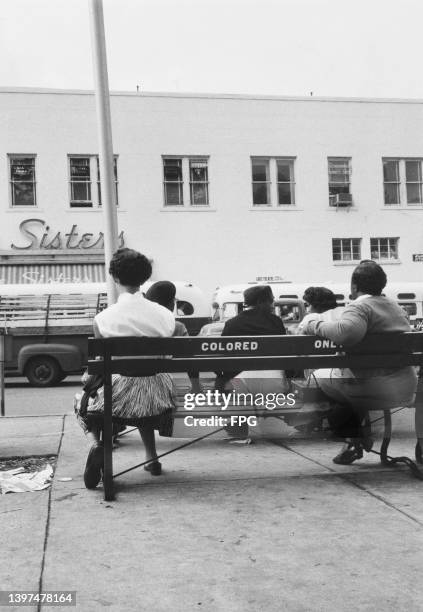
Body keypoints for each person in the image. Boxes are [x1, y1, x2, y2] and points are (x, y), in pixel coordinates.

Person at [301, 262, 418, 464]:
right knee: (349, 380)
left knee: (314, 378)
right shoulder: (395, 308)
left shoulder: (360, 307)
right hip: (404, 387)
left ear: (354, 286)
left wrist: (312, 323)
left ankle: (353, 437)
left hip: (374, 387)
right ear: (382, 284)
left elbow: (346, 333)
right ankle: (355, 434)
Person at [78, 248, 176, 488]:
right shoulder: (165, 315)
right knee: (142, 387)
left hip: (119, 399)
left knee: (84, 398)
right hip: (158, 396)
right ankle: (151, 458)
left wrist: (86, 382)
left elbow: (99, 369)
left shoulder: (103, 318)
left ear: (115, 278)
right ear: (145, 278)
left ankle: (98, 444)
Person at [216, 285, 288, 439]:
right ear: (262, 301)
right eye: (271, 300)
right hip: (274, 383)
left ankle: (237, 424)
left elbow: (222, 358)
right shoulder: (275, 322)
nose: (273, 303)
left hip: (239, 386)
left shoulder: (233, 324)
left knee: (224, 378)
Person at [145, 280, 202, 393]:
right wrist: (196, 387)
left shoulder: (134, 325)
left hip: (124, 387)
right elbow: (189, 358)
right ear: (171, 304)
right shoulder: (177, 327)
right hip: (158, 390)